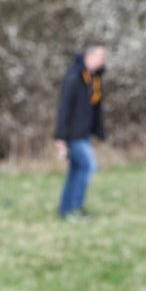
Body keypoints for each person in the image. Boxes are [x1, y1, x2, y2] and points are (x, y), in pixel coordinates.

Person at [54, 43, 106, 220]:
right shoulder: (74, 77)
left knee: (76, 169)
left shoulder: (93, 79)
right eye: (101, 56)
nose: (103, 60)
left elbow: (95, 108)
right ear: (89, 56)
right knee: (88, 166)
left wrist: (100, 132)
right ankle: (75, 209)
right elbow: (64, 108)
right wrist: (60, 137)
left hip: (84, 133)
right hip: (73, 134)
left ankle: (65, 210)